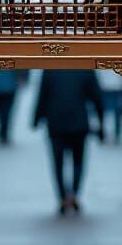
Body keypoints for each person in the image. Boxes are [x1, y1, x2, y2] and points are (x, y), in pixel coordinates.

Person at [32, 69, 104, 215]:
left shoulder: (50, 70)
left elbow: (42, 95)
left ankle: (62, 196)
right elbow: (96, 96)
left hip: (55, 122)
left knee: (58, 162)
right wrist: (101, 122)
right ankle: (74, 194)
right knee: (78, 161)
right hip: (79, 122)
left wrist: (36, 118)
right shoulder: (86, 69)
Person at [97, 68, 122, 143]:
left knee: (116, 113)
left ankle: (114, 134)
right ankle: (106, 134)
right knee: (109, 113)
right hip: (108, 87)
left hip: (115, 87)